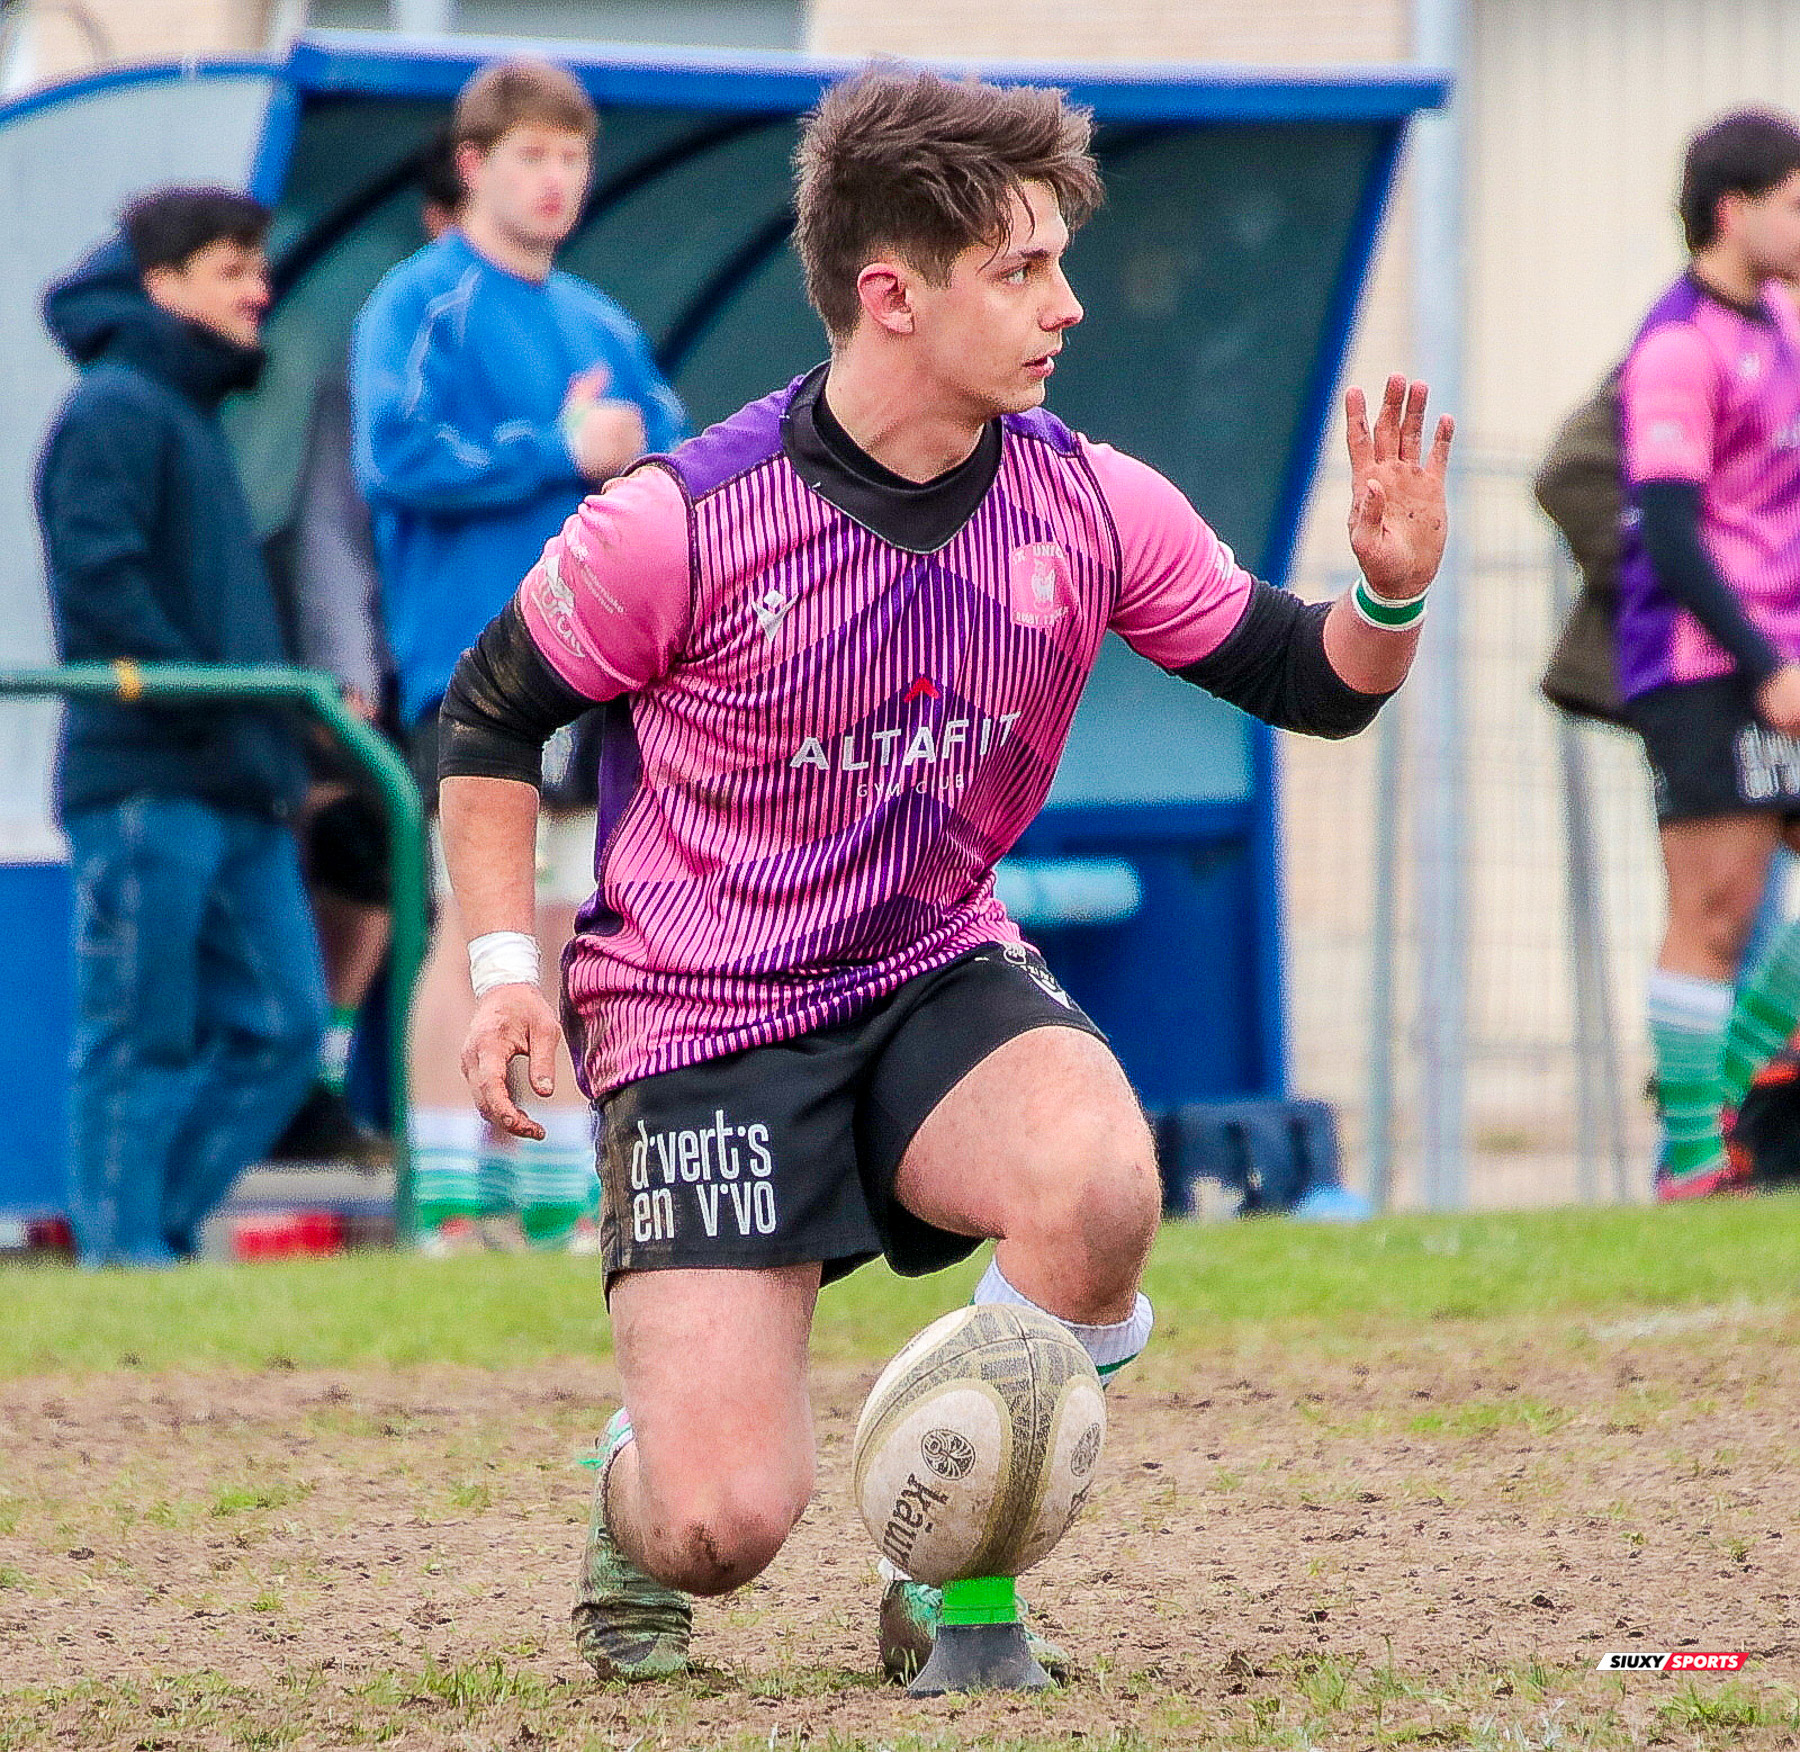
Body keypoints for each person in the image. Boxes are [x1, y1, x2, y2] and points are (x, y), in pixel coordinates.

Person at [436, 67, 1450, 1682]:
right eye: (1023, 269)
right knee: (723, 1525)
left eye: (1059, 260)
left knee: (1102, 1185)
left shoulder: (1088, 497)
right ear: (891, 294)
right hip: (702, 1018)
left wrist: (1384, 598)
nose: (1068, 304)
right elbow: (486, 721)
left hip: (927, 967)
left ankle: (957, 1583)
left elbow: (1304, 680)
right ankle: (637, 1493)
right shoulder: (677, 523)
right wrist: (501, 974)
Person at [351, 61, 686, 1251]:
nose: (555, 181)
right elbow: (395, 455)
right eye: (531, 156)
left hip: (595, 668)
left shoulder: (602, 322)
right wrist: (553, 445)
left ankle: (548, 1196)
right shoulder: (418, 300)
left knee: (559, 927)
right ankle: (448, 1198)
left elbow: (679, 462)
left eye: (571, 157)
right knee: (469, 925)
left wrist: (634, 461)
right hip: (469, 672)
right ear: (475, 166)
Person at [36, 188, 327, 1267]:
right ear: (161, 286)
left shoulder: (186, 415)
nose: (260, 289)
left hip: (230, 779)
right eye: (231, 268)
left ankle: (143, 1241)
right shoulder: (114, 409)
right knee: (139, 1035)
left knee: (287, 1026)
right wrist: (216, 700)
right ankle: (128, 1263)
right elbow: (102, 592)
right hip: (149, 780)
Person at [267, 129, 468, 1168]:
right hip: (396, 684)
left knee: (475, 912)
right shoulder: (385, 348)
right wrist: (346, 676)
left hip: (481, 677)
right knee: (371, 859)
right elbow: (334, 531)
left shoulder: (567, 334)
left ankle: (392, 1115)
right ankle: (330, 1088)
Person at [1613, 109, 1800, 1201]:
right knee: (1714, 912)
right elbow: (1671, 532)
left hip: (1779, 654)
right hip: (1703, 662)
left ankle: (1719, 1095)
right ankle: (1692, 1160)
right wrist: (1760, 661)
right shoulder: (1678, 345)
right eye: (1792, 202)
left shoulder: (1775, 324)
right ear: (1732, 212)